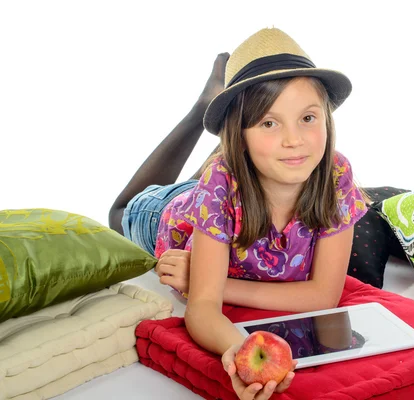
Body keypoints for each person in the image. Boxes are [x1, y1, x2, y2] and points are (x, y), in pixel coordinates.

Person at [108, 27, 369, 400]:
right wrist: (236, 345)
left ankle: (239, 143)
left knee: (244, 169)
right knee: (120, 211)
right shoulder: (221, 184)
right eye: (268, 122)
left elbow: (323, 296)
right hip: (172, 216)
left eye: (308, 119)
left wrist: (204, 279)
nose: (294, 139)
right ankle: (204, 108)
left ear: (326, 119)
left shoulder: (336, 174)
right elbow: (202, 309)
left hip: (230, 189)